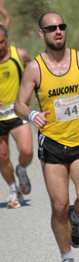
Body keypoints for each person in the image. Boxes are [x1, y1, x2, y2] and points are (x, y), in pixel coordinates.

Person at [14, 12, 79, 262]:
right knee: (58, 205)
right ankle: (67, 260)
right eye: (51, 28)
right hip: (52, 144)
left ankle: (75, 218)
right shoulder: (35, 68)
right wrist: (31, 115)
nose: (58, 31)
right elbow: (21, 103)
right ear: (41, 33)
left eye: (61, 26)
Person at [0, 23, 32, 208]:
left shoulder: (20, 56)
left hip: (16, 112)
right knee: (2, 157)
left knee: (27, 151)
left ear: (7, 40)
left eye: (1, 42)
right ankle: (14, 191)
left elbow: (36, 75)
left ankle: (21, 169)